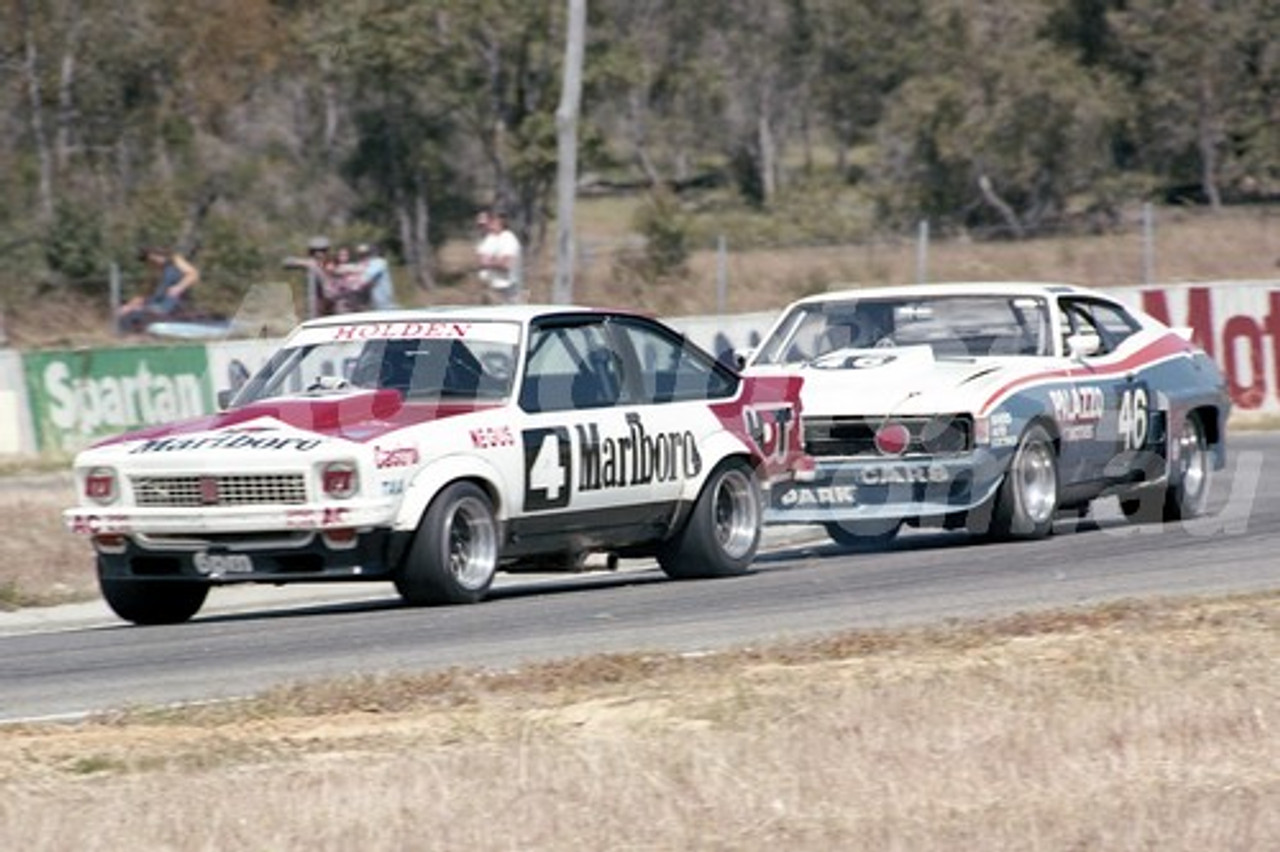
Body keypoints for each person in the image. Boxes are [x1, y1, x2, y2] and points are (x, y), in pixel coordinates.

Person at [118, 247, 200, 333]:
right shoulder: (155, 271)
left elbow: (193, 274)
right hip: (157, 303)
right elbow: (145, 294)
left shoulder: (175, 260)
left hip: (173, 303)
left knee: (139, 314)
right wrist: (129, 306)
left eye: (152, 259)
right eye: (149, 261)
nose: (153, 263)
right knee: (126, 314)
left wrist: (179, 287)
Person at [475, 209, 522, 304]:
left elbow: (506, 264)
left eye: (486, 223)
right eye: (480, 225)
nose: (484, 227)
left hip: (506, 289)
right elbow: (481, 259)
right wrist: (493, 261)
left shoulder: (509, 239)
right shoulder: (489, 239)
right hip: (490, 286)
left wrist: (490, 262)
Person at [356, 242, 398, 310]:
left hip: (384, 304)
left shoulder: (378, 262)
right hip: (378, 303)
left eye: (366, 254)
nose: (364, 257)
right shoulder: (374, 264)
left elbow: (364, 280)